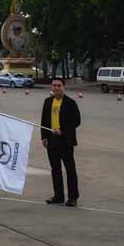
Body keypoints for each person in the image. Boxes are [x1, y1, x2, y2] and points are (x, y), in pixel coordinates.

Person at [42, 77, 81, 207]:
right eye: (54, 85)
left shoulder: (70, 103)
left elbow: (76, 121)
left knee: (70, 169)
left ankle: (72, 197)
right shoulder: (48, 102)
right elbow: (44, 121)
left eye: (59, 85)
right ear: (51, 87)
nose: (56, 88)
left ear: (63, 87)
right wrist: (44, 137)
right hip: (52, 141)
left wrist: (63, 130)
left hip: (66, 140)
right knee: (55, 169)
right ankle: (58, 196)